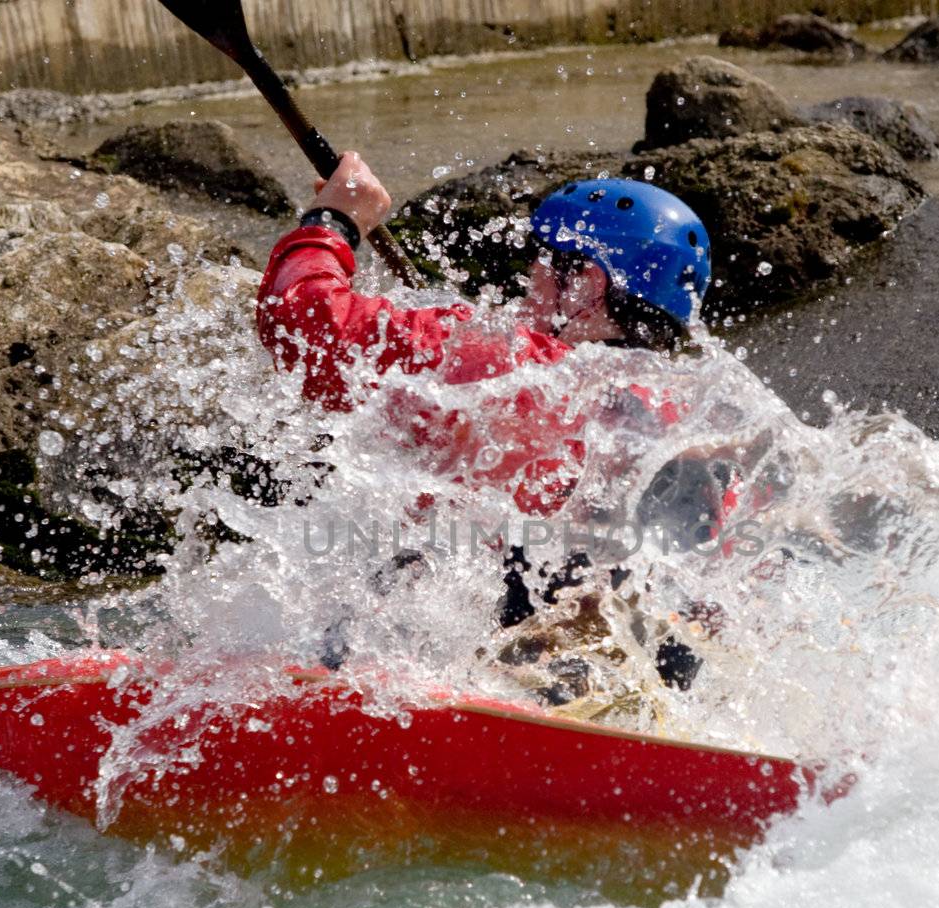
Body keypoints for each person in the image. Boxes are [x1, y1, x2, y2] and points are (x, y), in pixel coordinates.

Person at [255, 152, 718, 694]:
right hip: (648, 673)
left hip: (501, 664)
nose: (526, 288)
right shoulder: (697, 414)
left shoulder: (506, 362)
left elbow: (302, 321)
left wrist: (336, 219)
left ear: (586, 285)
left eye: (540, 270)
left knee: (405, 567)